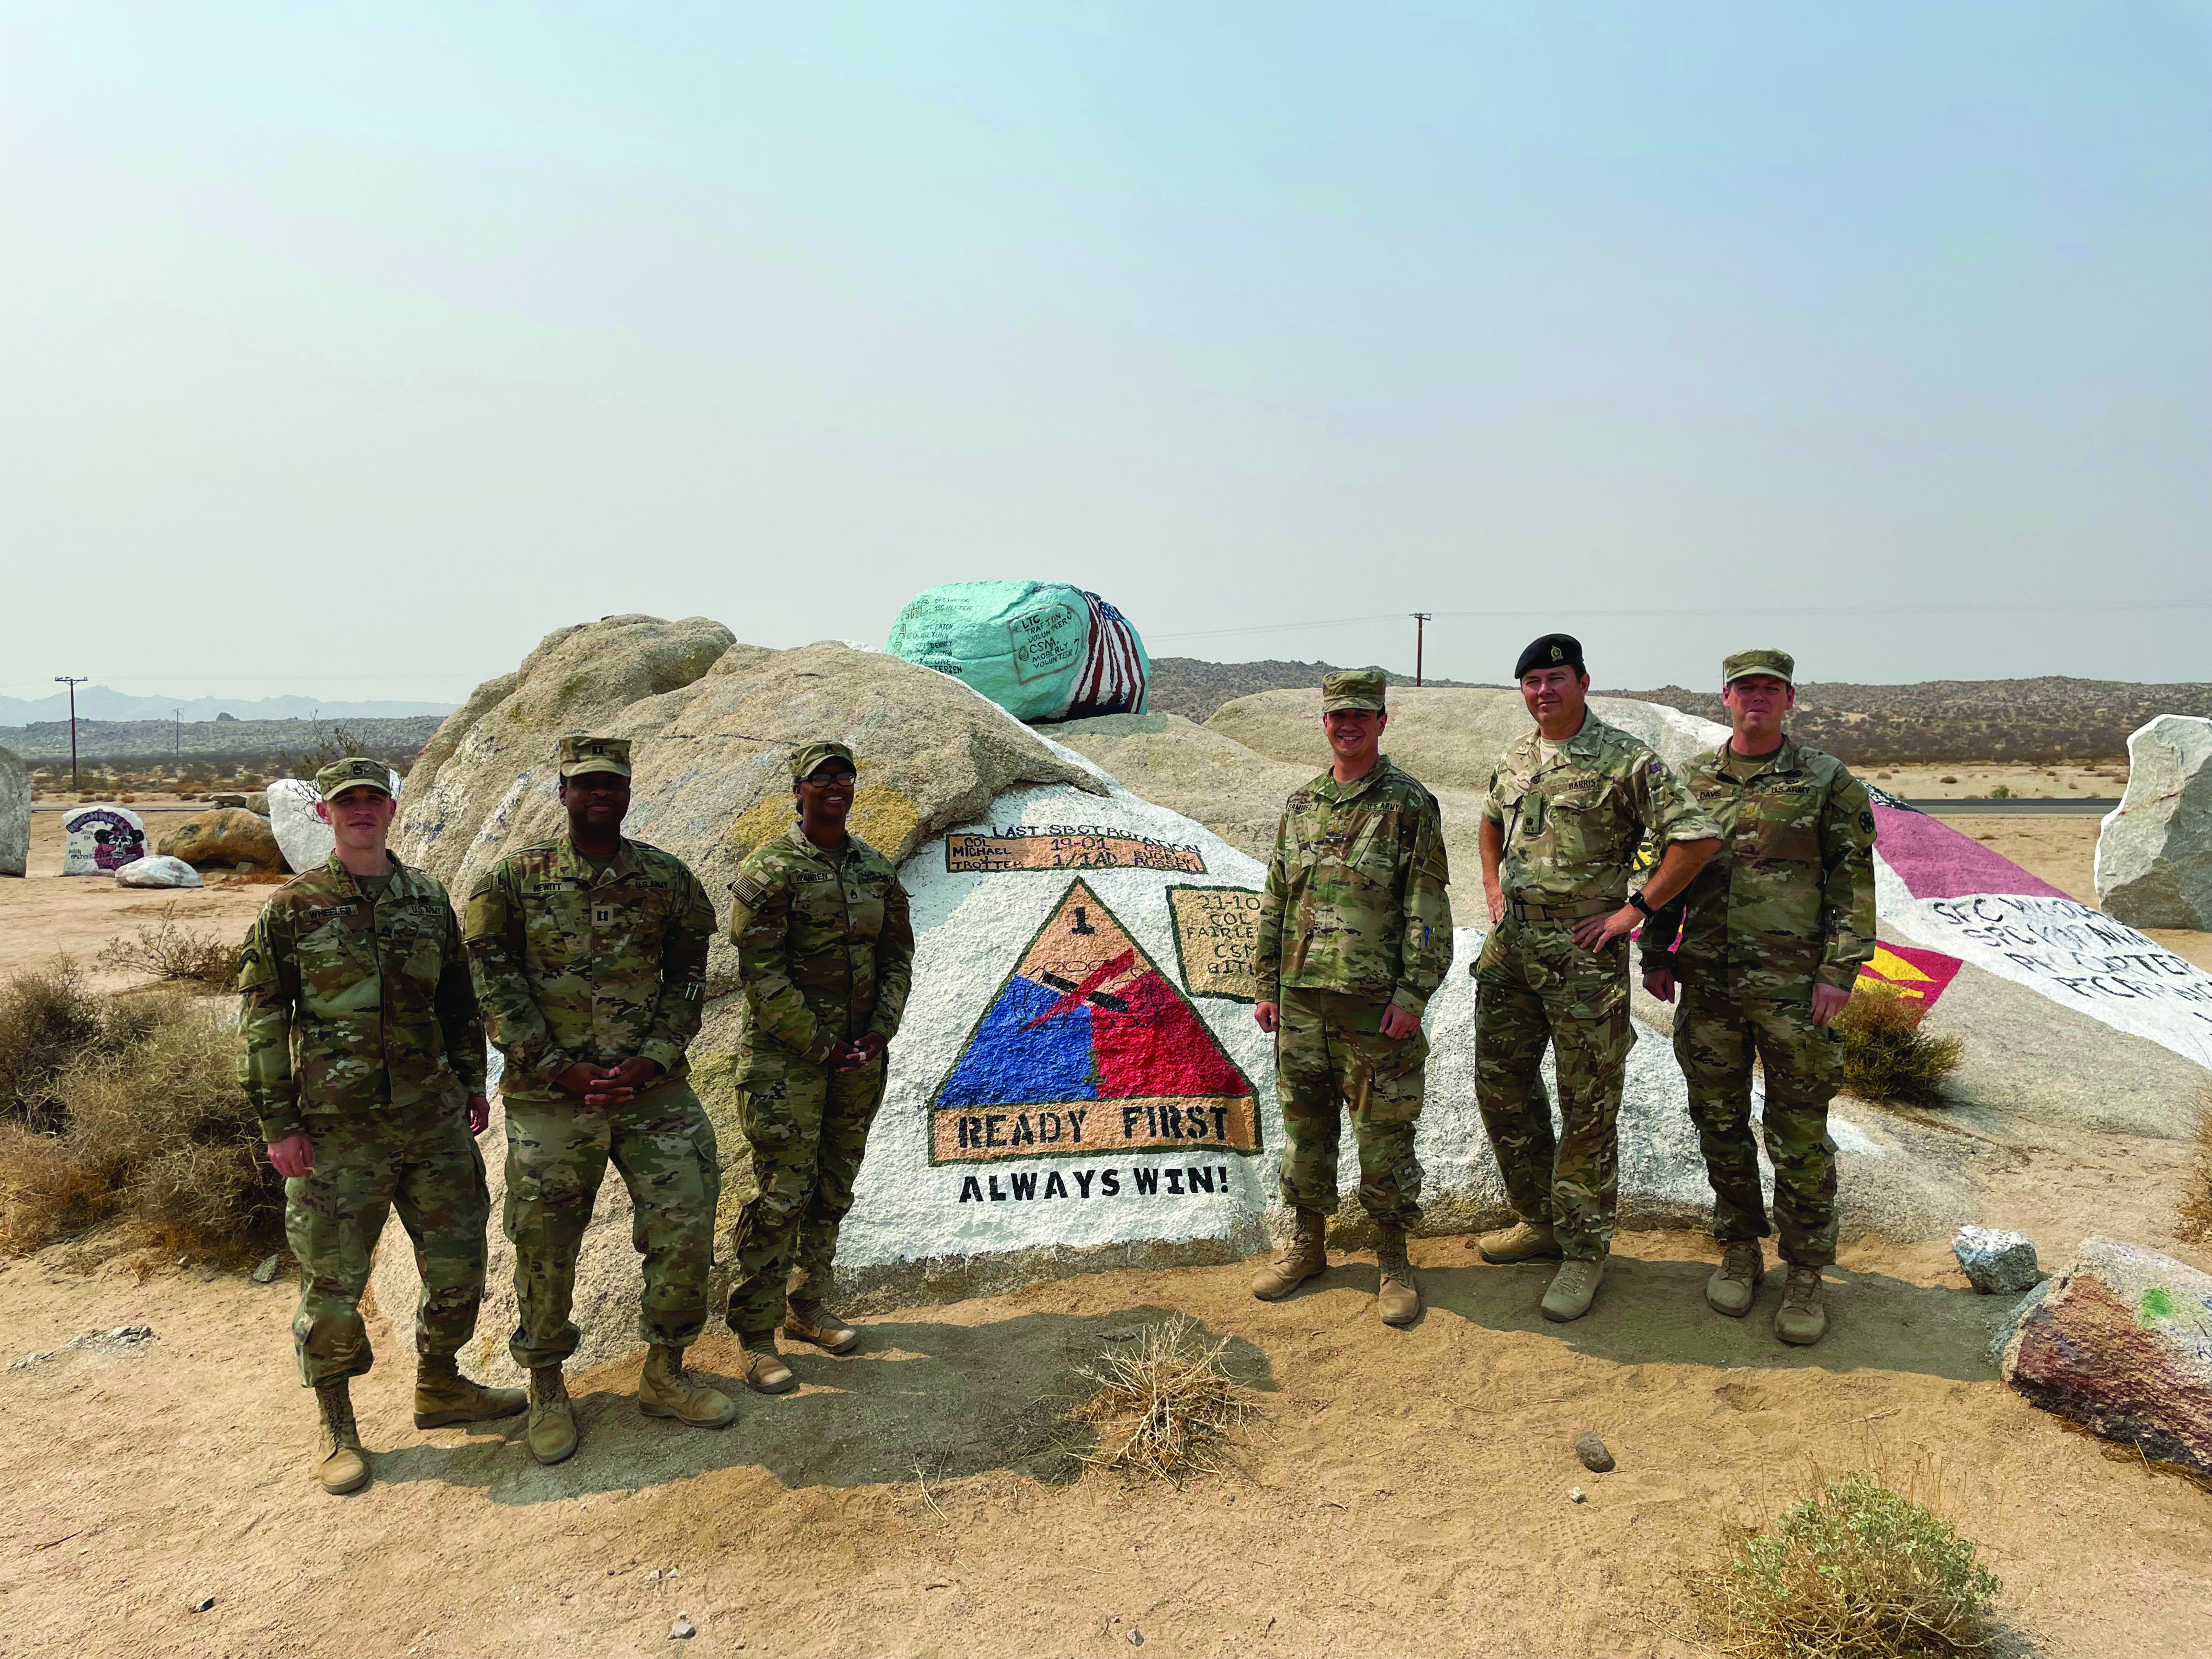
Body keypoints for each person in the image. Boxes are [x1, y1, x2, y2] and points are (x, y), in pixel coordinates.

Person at [238, 757, 522, 1496]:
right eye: (346, 802)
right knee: (334, 1285)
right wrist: (279, 1124)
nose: (361, 811)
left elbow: (459, 1002)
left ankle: (442, 1386)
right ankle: (339, 1425)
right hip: (337, 1131)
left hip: (431, 1120)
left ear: (392, 810)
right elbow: (265, 1023)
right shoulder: (292, 910)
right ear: (328, 815)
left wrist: (470, 1083)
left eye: (373, 800)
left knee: (460, 1263)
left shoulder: (427, 900)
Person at [464, 735, 731, 1464]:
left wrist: (657, 1056)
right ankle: (548, 1389)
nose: (599, 793)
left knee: (685, 1220)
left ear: (628, 792)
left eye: (612, 782)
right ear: (563, 794)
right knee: (546, 1243)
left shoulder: (669, 880)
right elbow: (494, 986)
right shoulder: (513, 881)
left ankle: (665, 1375)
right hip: (553, 1096)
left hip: (654, 1092)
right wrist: (559, 1068)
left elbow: (688, 978)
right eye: (586, 784)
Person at [1473, 635, 1721, 1321]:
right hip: (1511, 948)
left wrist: (1635, 911)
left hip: (1583, 951)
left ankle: (1585, 1251)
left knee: (1587, 1103)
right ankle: (1539, 1222)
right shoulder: (1516, 756)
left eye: (1555, 679)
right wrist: (1492, 886)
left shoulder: (1626, 760)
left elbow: (1696, 840)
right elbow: (1492, 821)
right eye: (1532, 682)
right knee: (1501, 1088)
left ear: (1583, 682)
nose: (1543, 691)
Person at [1639, 650, 1876, 1345]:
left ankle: (1805, 1268)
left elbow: (1853, 883)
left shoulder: (1826, 780)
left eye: (1770, 690)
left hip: (1795, 991)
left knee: (1799, 1133)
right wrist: (1657, 949)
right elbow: (1667, 869)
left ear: (1790, 699)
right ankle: (1740, 1246)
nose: (1757, 701)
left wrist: (1839, 972)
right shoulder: (1694, 781)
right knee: (1719, 1121)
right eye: (1745, 690)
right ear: (1726, 701)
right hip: (1709, 983)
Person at [1249, 669, 1452, 1327]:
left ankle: (1393, 1258)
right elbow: (1279, 897)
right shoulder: (1301, 804)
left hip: (1374, 1006)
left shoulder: (1409, 804)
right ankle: (1308, 1247)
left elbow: (1427, 903)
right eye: (1339, 716)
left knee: (1384, 1138)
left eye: (1362, 715)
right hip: (1304, 1004)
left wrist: (1414, 992)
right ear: (1325, 721)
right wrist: (1266, 985)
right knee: (1304, 1132)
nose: (1349, 726)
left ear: (1383, 722)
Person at [724, 741, 914, 1392]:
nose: (836, 786)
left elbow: (897, 960)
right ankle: (755, 1333)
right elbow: (762, 975)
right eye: (822, 778)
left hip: (859, 1059)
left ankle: (807, 1308)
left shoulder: (874, 869)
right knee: (783, 1193)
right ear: (798, 791)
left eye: (846, 777)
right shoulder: (771, 870)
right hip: (787, 1064)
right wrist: (821, 1043)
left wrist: (877, 1034)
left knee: (833, 1188)